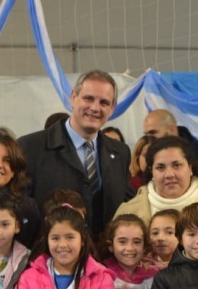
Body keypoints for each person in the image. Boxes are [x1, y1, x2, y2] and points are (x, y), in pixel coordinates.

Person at [18, 70, 133, 237]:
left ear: (112, 108)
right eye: (88, 98)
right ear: (73, 97)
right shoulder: (31, 148)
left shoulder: (121, 153)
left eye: (104, 102)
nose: (95, 108)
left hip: (102, 252)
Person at [114, 136, 198, 247]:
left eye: (176, 165)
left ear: (190, 167)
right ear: (151, 172)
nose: (169, 174)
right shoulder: (130, 211)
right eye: (160, 167)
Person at [142, 109, 198, 175]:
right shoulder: (149, 155)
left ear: (172, 130)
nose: (149, 139)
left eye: (153, 132)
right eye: (147, 135)